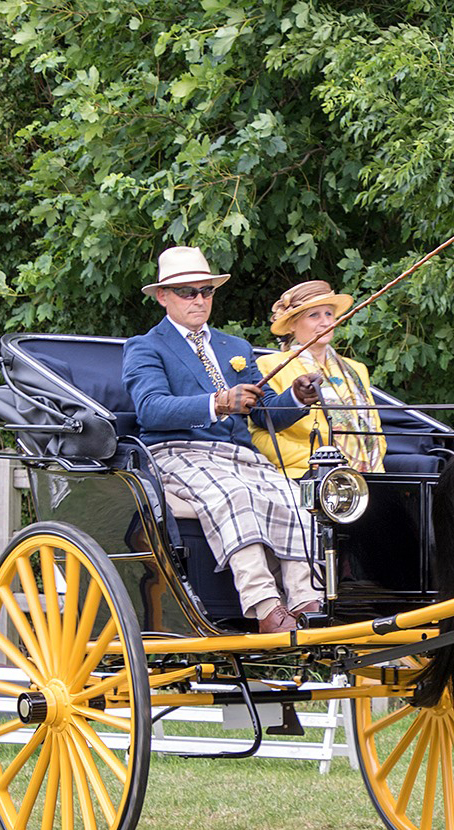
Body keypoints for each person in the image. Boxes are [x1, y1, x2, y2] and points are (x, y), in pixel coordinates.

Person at [122, 246, 326, 633]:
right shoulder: (145, 347)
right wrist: (217, 402)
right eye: (187, 292)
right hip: (178, 452)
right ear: (163, 296)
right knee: (235, 494)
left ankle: (306, 600)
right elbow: (150, 409)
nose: (199, 300)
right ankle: (266, 606)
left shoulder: (235, 348)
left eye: (206, 291)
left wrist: (297, 397)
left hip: (239, 456)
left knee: (297, 497)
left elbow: (264, 416)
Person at [249, 280, 386, 477]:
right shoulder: (270, 366)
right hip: (305, 475)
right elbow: (260, 436)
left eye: (329, 314)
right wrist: (322, 463)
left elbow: (376, 430)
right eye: (314, 315)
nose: (326, 322)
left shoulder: (357, 369)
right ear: (291, 325)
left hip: (367, 475)